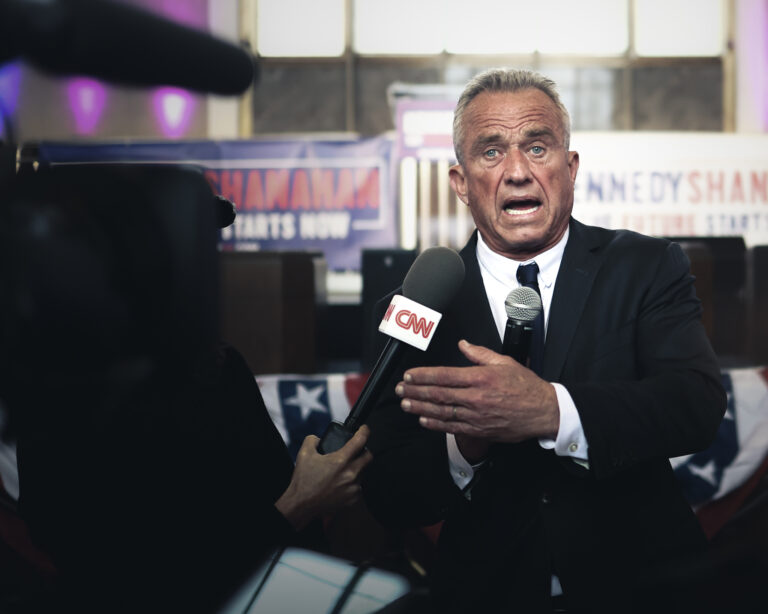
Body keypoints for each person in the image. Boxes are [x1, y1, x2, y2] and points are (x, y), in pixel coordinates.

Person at [361, 68, 726, 613]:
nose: (516, 172)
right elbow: (388, 490)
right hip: (488, 595)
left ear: (570, 168)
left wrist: (552, 410)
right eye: (490, 153)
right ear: (460, 183)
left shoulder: (647, 266)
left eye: (537, 146)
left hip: (647, 588)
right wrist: (468, 445)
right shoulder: (415, 308)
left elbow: (695, 405)